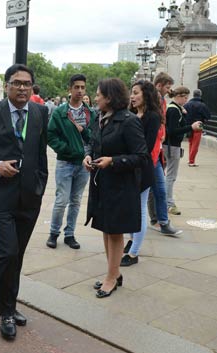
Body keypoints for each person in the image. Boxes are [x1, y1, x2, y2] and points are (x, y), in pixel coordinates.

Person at [0, 64, 48, 340]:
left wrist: (40, 184)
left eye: (27, 83)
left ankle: (11, 305)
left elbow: (40, 153)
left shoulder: (40, 112)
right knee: (9, 252)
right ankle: (5, 312)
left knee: (19, 255)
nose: (22, 88)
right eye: (17, 83)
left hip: (30, 196)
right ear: (7, 85)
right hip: (1, 196)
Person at [83, 78, 148, 298]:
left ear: (110, 97)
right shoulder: (100, 117)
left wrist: (113, 160)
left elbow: (141, 156)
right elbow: (93, 143)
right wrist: (88, 156)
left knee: (115, 231)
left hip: (121, 186)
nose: (96, 97)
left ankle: (111, 278)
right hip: (102, 184)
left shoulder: (128, 121)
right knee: (105, 227)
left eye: (99, 94)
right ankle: (114, 272)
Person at [46, 74, 95, 250]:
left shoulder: (91, 113)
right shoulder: (61, 112)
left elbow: (94, 137)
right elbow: (50, 135)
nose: (80, 90)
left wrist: (84, 133)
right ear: (70, 89)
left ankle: (70, 234)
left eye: (83, 87)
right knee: (61, 200)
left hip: (85, 164)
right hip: (65, 162)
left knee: (76, 200)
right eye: (77, 87)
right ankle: (53, 233)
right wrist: (66, 149)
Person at [121, 80, 162, 267]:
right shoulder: (130, 114)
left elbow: (146, 144)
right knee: (130, 209)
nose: (132, 96)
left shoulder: (152, 117)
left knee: (139, 209)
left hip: (142, 169)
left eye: (136, 92)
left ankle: (134, 252)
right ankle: (132, 240)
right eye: (131, 92)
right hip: (129, 167)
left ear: (146, 94)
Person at [148, 72, 182, 235]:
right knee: (155, 189)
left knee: (159, 189)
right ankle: (158, 220)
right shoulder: (153, 99)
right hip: (150, 152)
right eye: (167, 86)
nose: (169, 90)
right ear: (159, 85)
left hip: (157, 150)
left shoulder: (161, 100)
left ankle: (161, 221)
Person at [164, 86, 203, 216]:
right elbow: (173, 131)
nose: (186, 100)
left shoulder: (174, 108)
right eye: (185, 97)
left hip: (169, 145)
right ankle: (169, 203)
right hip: (172, 146)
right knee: (171, 176)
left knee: (167, 175)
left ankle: (165, 202)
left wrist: (184, 114)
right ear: (179, 96)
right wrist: (191, 127)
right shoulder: (174, 110)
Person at [183, 89, 210, 166]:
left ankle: (190, 159)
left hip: (189, 124)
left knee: (191, 143)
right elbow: (208, 116)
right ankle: (192, 161)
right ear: (200, 95)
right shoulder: (202, 105)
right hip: (199, 124)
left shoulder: (187, 104)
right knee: (196, 144)